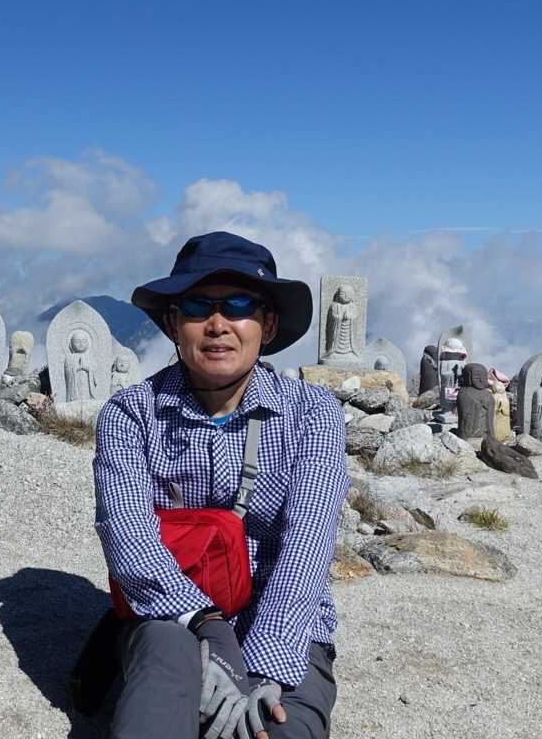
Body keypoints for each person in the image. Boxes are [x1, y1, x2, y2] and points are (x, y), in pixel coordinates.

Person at [94, 231, 349, 739]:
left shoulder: (312, 413)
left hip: (284, 617)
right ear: (173, 323)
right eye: (197, 306)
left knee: (279, 727)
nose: (217, 324)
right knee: (158, 704)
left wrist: (267, 663)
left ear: (267, 324)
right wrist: (206, 624)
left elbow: (308, 541)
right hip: (170, 614)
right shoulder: (131, 415)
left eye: (239, 305)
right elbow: (127, 535)